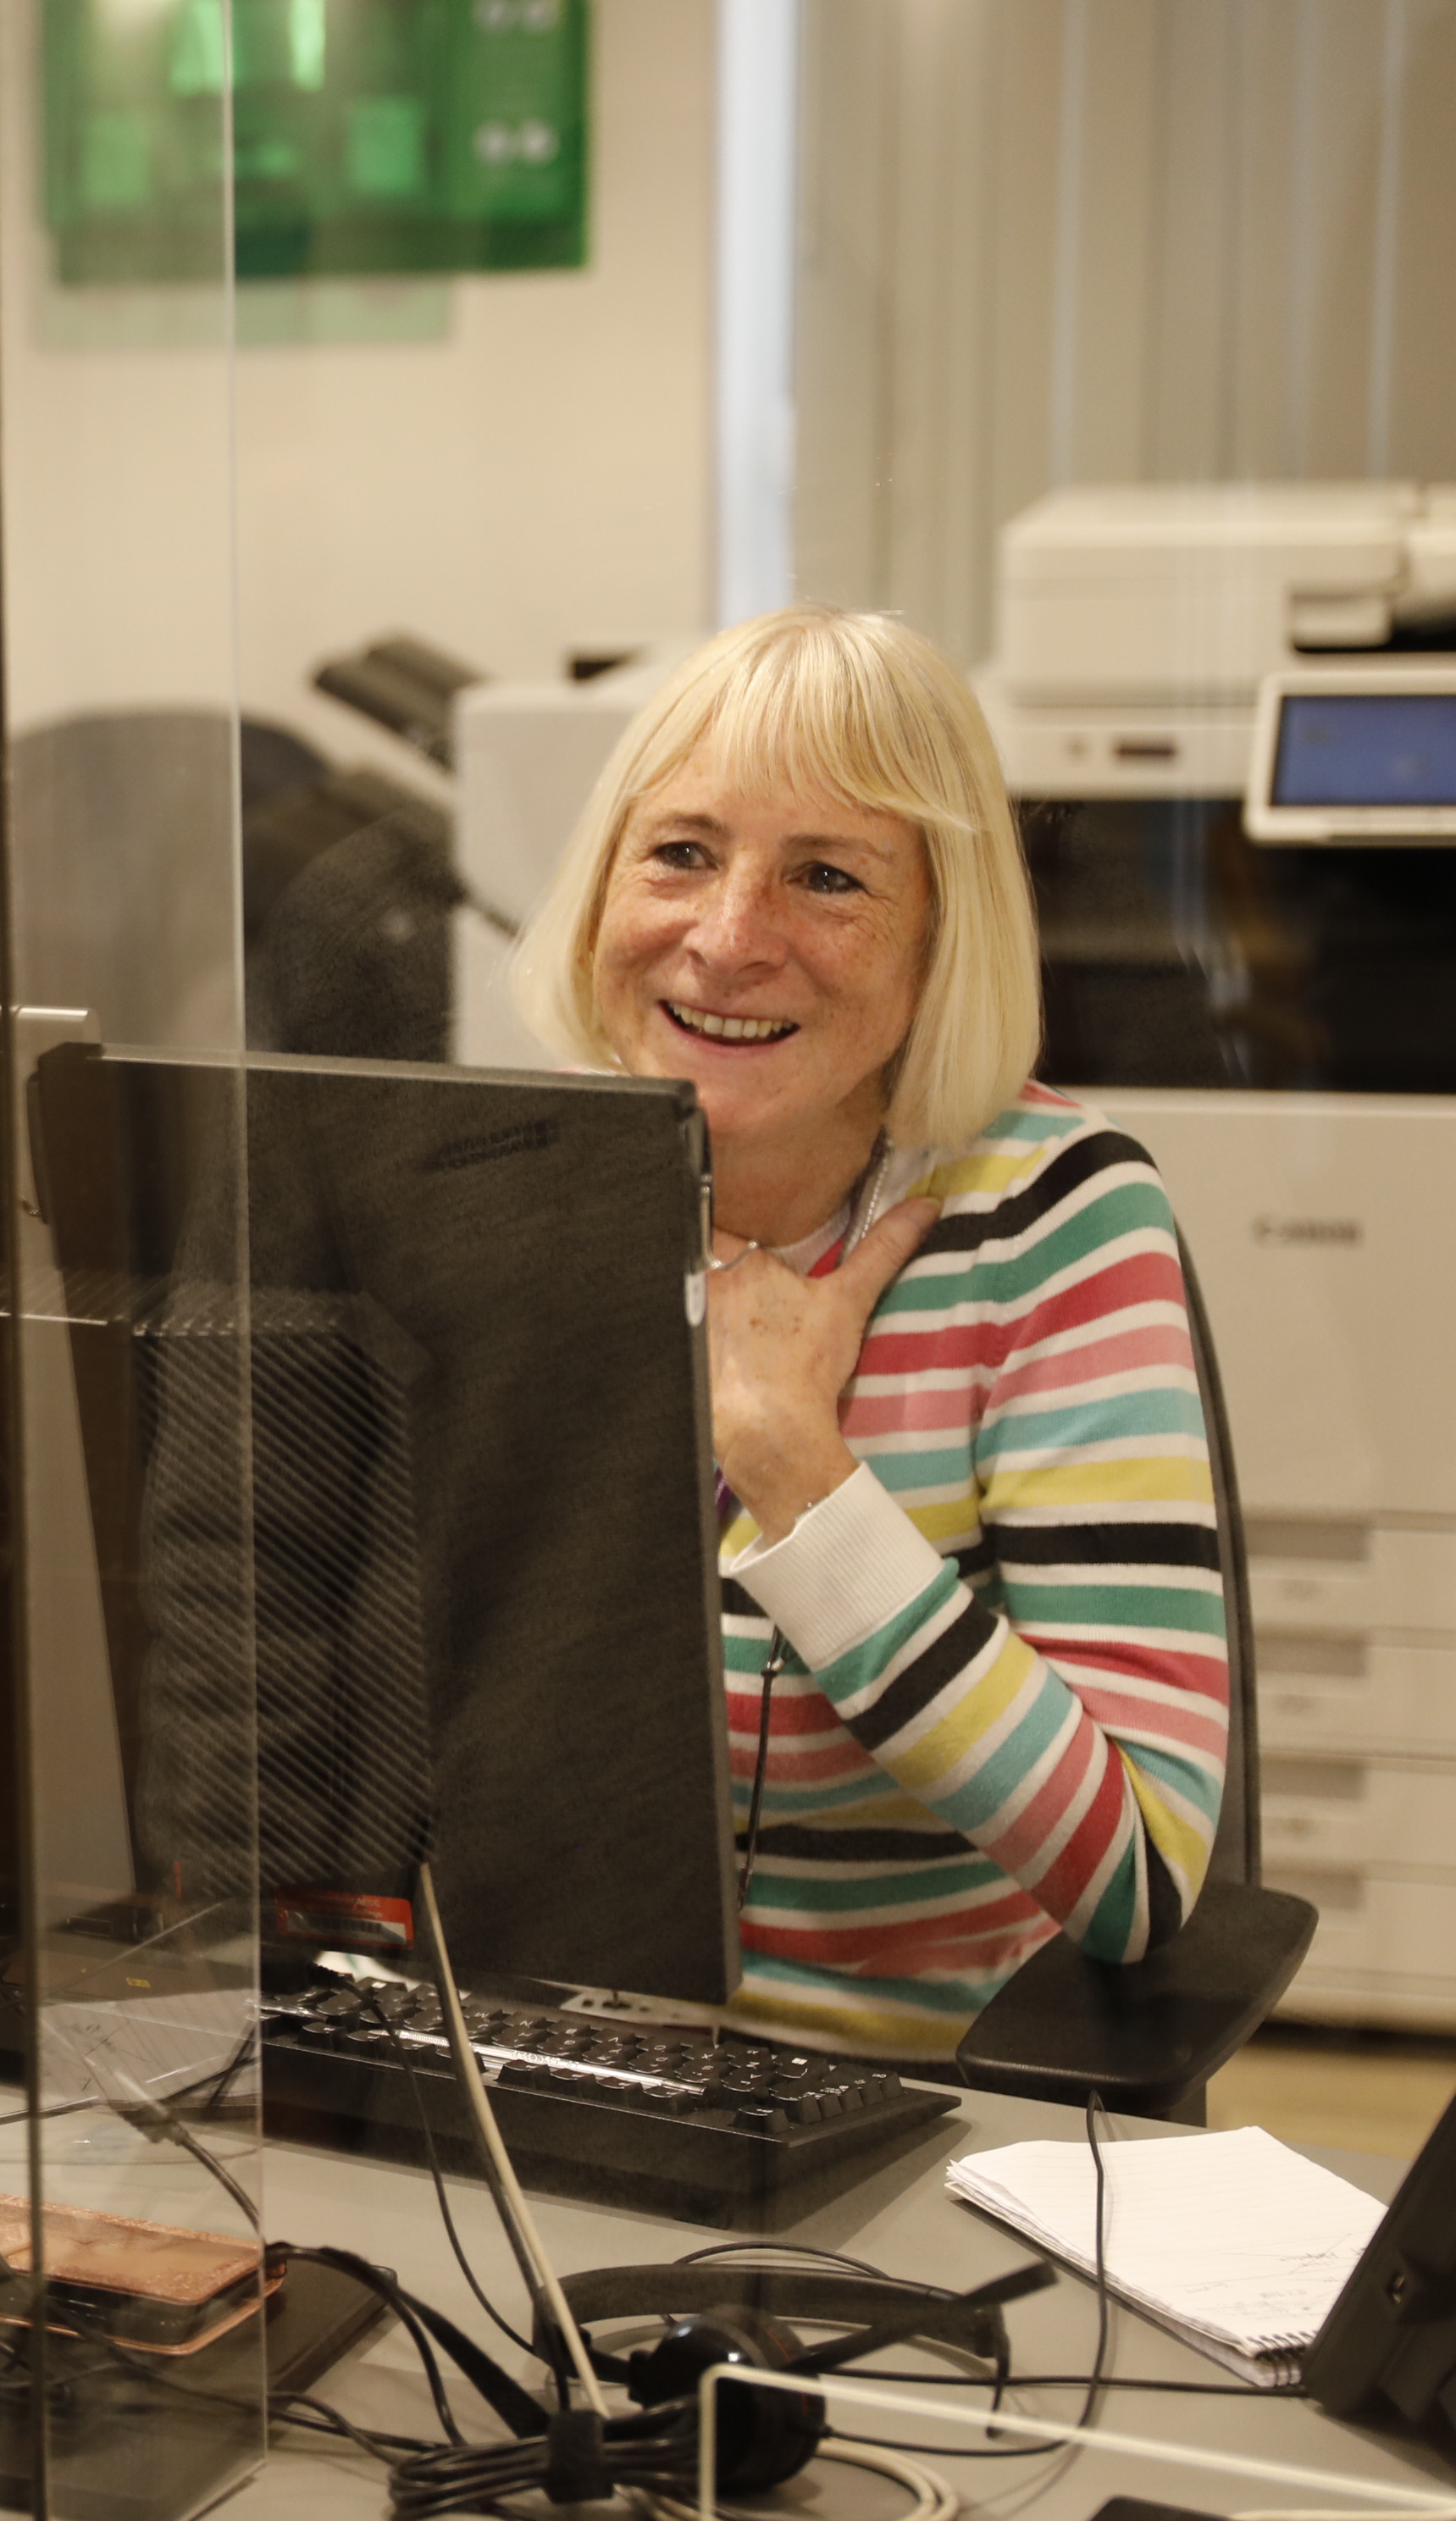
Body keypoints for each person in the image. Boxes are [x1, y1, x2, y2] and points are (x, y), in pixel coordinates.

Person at [508, 601, 1228, 2058]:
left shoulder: (1051, 1222)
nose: (725, 940)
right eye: (683, 853)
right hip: (508, 2066)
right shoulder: (500, 1189)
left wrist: (797, 1470)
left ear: (937, 950)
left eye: (826, 877)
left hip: (901, 2095)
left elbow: (1137, 1876)